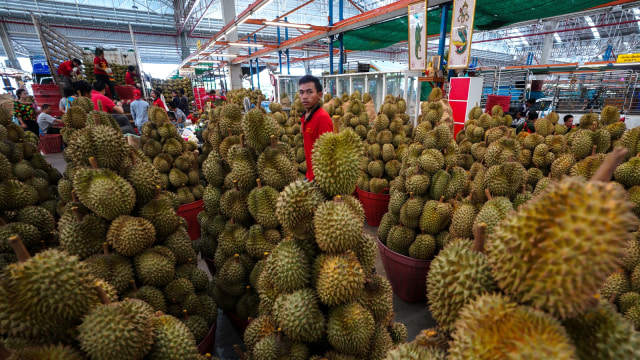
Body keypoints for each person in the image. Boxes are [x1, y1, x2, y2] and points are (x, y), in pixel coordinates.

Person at [298, 75, 333, 181]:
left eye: (309, 92)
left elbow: (328, 153)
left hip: (319, 178)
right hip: (310, 175)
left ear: (320, 95)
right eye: (301, 92)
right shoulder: (304, 116)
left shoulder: (322, 118)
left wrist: (320, 180)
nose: (304, 96)